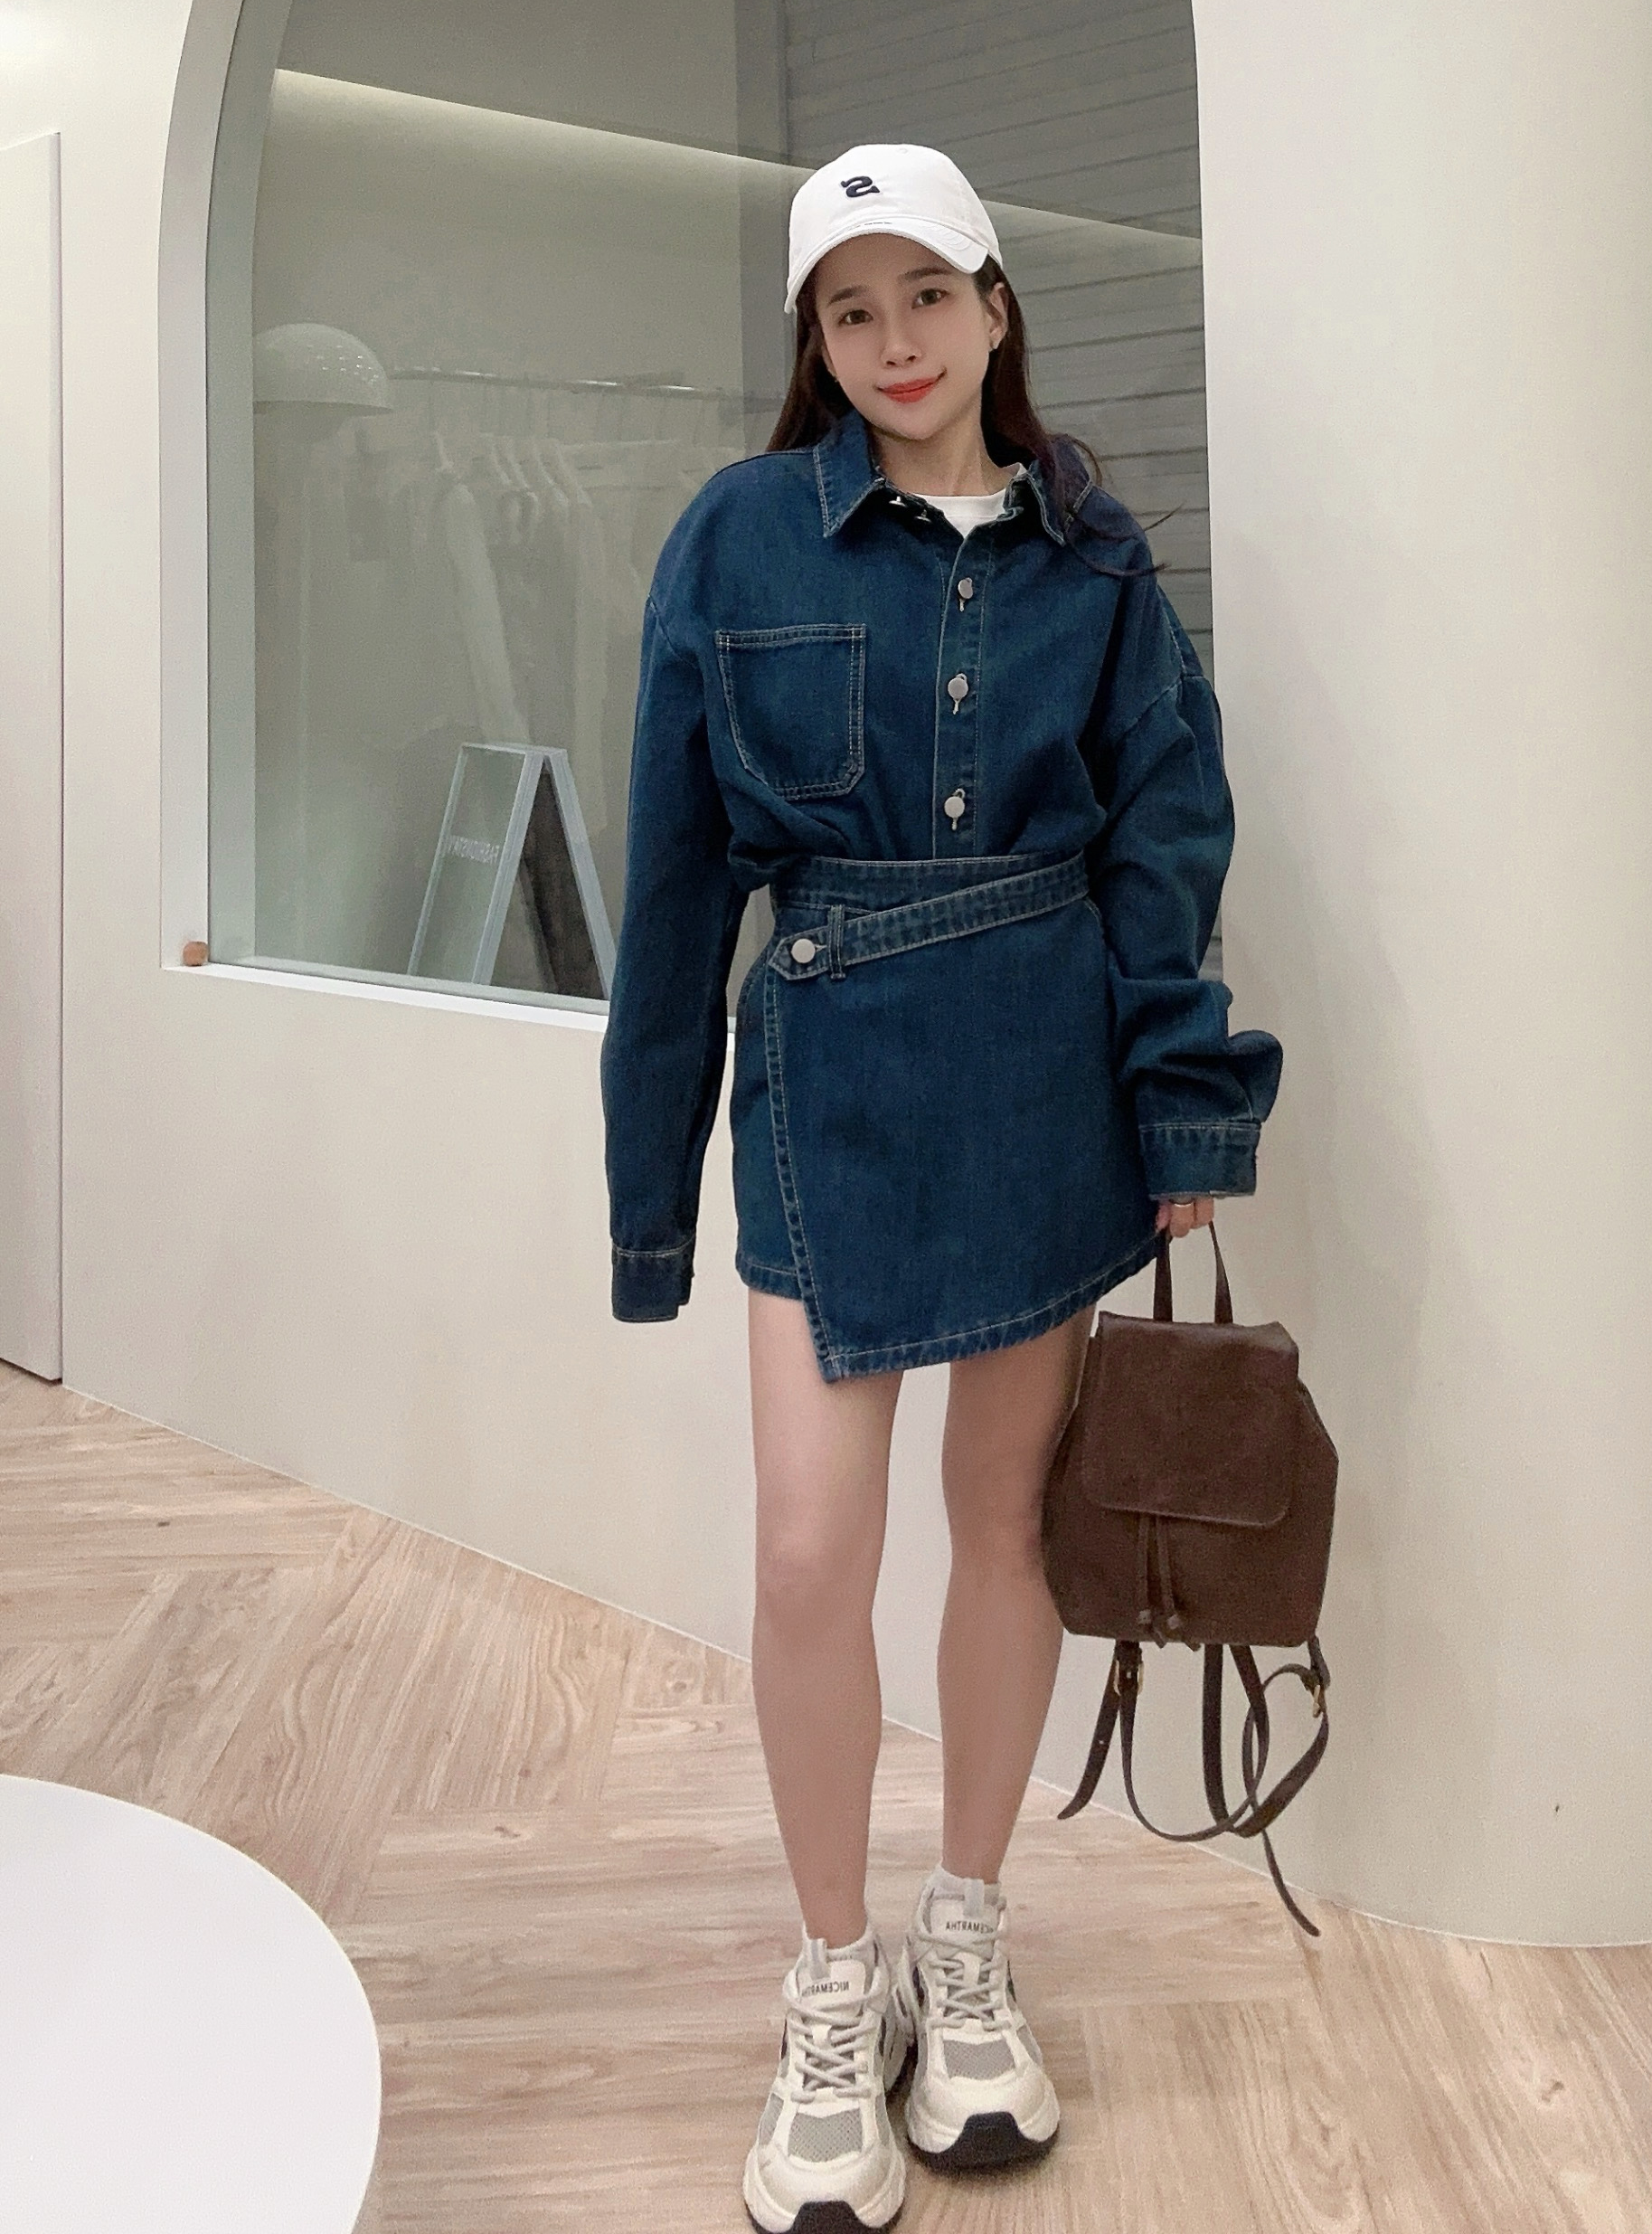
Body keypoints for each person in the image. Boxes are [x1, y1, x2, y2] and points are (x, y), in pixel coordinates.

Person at [600, 141, 1281, 2234]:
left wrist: (1181, 1111)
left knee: (1007, 1528)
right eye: (849, 309)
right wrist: (648, 1194)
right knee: (812, 1554)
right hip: (828, 1079)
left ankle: (965, 1940)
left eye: (926, 295)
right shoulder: (737, 536)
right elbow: (677, 881)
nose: (893, 341)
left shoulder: (1099, 557)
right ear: (814, 343)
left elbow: (1167, 836)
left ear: (996, 306)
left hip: (1046, 1080)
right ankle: (836, 1978)